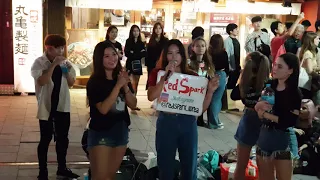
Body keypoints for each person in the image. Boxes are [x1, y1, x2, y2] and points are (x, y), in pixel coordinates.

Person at [147, 39, 219, 179]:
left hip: (188, 123)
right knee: (165, 166)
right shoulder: (158, 73)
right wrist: (165, 78)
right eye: (170, 53)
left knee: (189, 166)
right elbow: (151, 96)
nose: (174, 57)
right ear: (165, 56)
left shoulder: (192, 76)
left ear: (183, 55)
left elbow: (200, 109)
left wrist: (210, 91)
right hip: (166, 122)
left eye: (178, 53)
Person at [86, 41, 137, 180]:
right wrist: (117, 86)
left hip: (121, 133)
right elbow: (103, 109)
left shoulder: (121, 77)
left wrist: (125, 86)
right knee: (100, 177)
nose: (112, 59)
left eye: (114, 54)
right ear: (99, 59)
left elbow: (133, 104)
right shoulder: (95, 82)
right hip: (101, 134)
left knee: (109, 177)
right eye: (106, 56)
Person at [31, 34, 79, 180]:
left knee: (63, 139)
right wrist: (53, 65)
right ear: (49, 48)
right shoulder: (39, 62)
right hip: (47, 107)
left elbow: (71, 83)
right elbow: (43, 80)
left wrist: (66, 70)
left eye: (63, 48)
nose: (61, 52)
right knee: (45, 139)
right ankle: (43, 171)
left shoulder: (65, 62)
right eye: (58, 48)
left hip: (62, 106)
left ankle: (62, 168)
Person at [255, 53, 302, 180]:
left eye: (280, 66)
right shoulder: (270, 86)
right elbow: (258, 108)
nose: (275, 68)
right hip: (265, 135)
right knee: (264, 177)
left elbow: (289, 121)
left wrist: (265, 114)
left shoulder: (294, 93)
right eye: (275, 65)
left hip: (283, 137)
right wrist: (259, 105)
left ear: (290, 71)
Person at [231, 52, 270, 180]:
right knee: (263, 166)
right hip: (264, 120)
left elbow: (233, 95)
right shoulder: (268, 84)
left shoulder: (245, 83)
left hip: (248, 119)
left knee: (241, 164)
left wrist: (242, 76)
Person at [189, 37, 215, 127]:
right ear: (193, 48)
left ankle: (200, 119)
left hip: (204, 90)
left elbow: (211, 75)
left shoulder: (208, 63)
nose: (200, 48)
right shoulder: (189, 63)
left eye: (203, 46)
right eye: (198, 46)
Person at [207, 34, 229, 129]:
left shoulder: (208, 53)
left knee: (211, 98)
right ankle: (214, 122)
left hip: (210, 74)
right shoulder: (223, 53)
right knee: (217, 99)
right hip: (221, 74)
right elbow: (227, 66)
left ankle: (213, 120)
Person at [124, 25, 146, 111]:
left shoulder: (141, 42)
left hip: (138, 65)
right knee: (130, 84)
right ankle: (127, 102)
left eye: (137, 31)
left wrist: (134, 53)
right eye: (134, 31)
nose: (136, 32)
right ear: (131, 32)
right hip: (130, 65)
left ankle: (133, 104)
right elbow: (127, 53)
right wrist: (137, 54)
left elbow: (144, 53)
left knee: (136, 85)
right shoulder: (128, 41)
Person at [145, 22, 168, 89]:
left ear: (162, 29)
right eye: (156, 28)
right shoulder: (151, 40)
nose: (158, 30)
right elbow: (148, 53)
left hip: (162, 63)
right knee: (152, 81)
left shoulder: (165, 40)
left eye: (159, 28)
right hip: (152, 64)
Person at [298, 32, 320, 100]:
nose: (319, 40)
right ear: (312, 40)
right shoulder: (308, 53)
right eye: (317, 39)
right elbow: (310, 70)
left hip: (306, 83)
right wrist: (319, 77)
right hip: (305, 84)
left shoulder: (309, 52)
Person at [224, 23, 241, 90]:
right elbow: (227, 55)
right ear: (231, 31)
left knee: (233, 85)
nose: (237, 30)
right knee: (230, 85)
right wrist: (229, 67)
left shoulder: (236, 40)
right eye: (236, 29)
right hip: (231, 67)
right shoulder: (227, 41)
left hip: (236, 66)